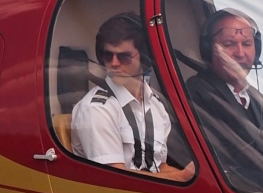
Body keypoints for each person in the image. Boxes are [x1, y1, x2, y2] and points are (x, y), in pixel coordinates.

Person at [184, 8, 263, 193]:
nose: (240, 53)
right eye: (229, 44)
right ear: (208, 49)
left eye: (247, 44)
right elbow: (224, 170)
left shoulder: (258, 101)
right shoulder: (199, 94)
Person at [70, 13, 196, 181]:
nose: (114, 63)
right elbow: (114, 178)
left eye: (124, 57)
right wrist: (184, 177)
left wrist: (197, 178)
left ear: (144, 58)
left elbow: (159, 167)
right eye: (108, 55)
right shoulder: (97, 109)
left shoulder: (156, 105)